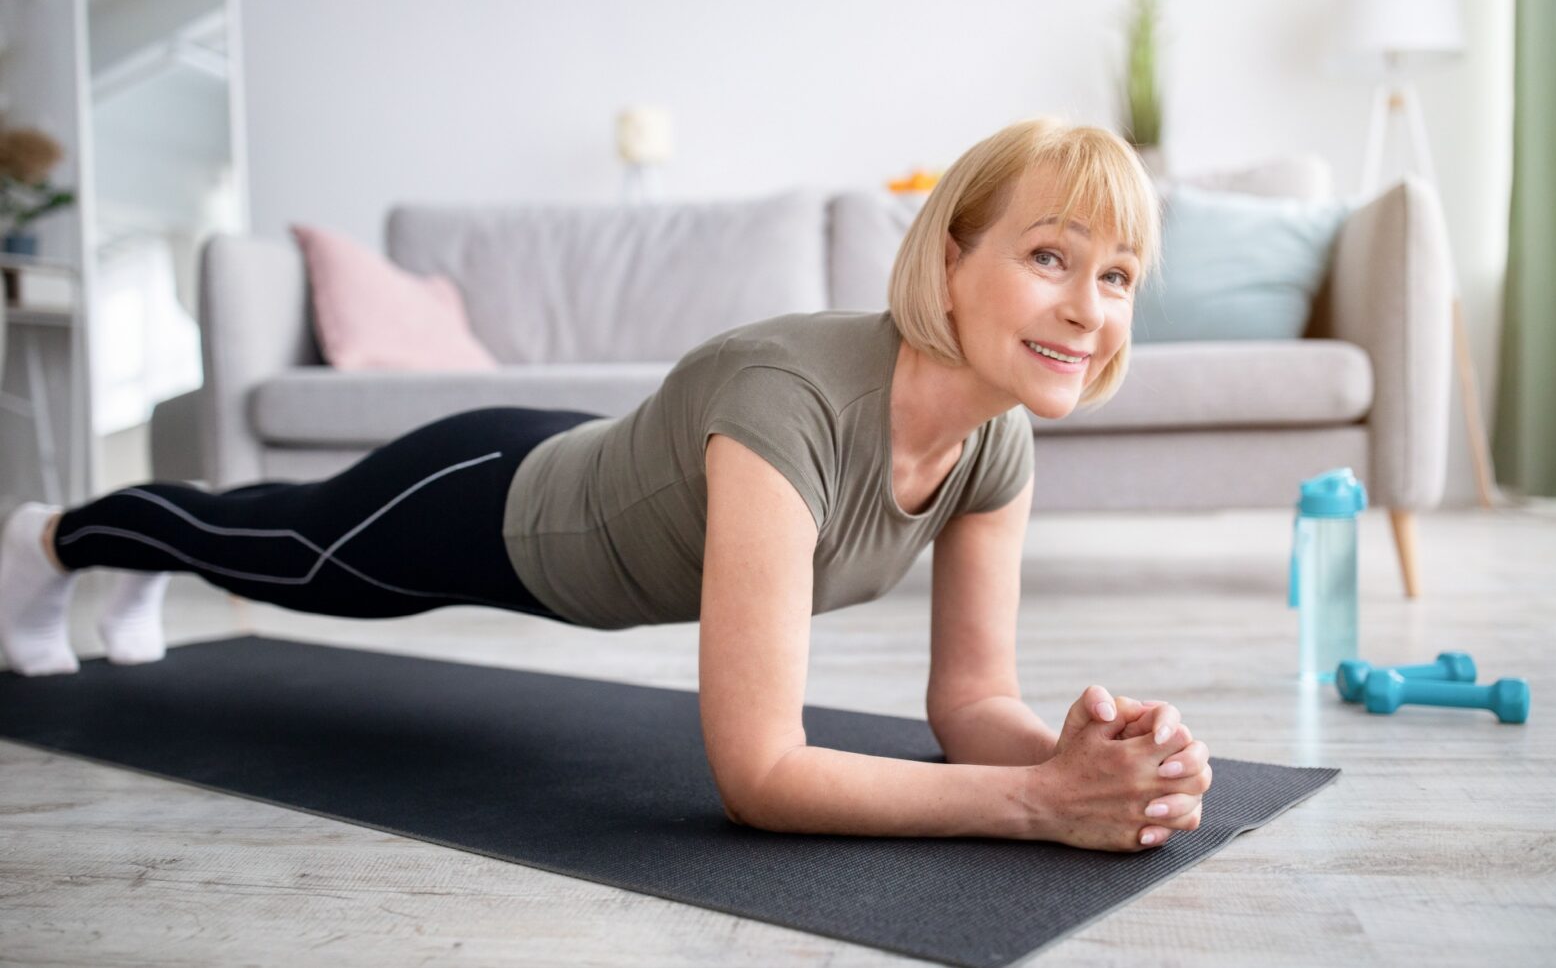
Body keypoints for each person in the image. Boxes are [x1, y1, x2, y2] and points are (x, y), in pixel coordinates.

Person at [0, 117, 1211, 852]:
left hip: (588, 466)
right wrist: (1037, 806)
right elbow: (761, 775)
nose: (1084, 308)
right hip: (492, 503)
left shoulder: (996, 439)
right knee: (269, 545)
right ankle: (54, 540)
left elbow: (970, 706)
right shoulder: (788, 398)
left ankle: (114, 571)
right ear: (949, 260)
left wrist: (1079, 754)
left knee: (257, 539)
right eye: (1048, 256)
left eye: (1115, 276)